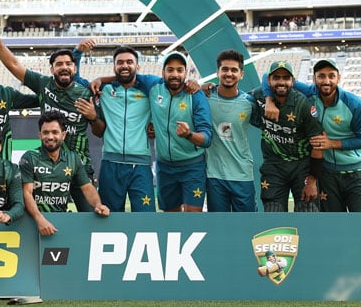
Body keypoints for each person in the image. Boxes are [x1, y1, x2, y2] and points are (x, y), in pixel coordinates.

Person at [0, 11, 103, 212]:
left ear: (75, 68)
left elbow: (100, 131)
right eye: (59, 64)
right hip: (46, 168)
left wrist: (93, 117)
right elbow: (13, 64)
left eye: (68, 64)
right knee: (44, 216)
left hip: (79, 165)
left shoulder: (87, 92)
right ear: (52, 69)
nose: (64, 67)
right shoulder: (43, 84)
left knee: (92, 216)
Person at [263, 58, 361, 212]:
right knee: (331, 225)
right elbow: (265, 76)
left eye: (331, 76)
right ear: (314, 78)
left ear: (338, 78)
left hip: (356, 174)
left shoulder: (354, 104)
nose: (326, 81)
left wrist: (332, 143)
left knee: (360, 223)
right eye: (321, 76)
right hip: (327, 174)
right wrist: (268, 100)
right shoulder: (310, 94)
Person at [79, 45, 156, 212]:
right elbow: (76, 80)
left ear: (138, 66)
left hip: (140, 165)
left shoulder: (149, 91)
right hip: (111, 164)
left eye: (130, 62)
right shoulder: (104, 91)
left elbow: (173, 88)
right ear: (114, 67)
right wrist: (78, 53)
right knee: (109, 217)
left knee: (146, 218)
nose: (125, 65)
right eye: (120, 62)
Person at [134, 52, 213, 212]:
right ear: (163, 72)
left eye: (179, 70)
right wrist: (100, 80)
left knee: (193, 216)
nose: (175, 74)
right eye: (170, 70)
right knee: (170, 218)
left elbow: (207, 138)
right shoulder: (153, 86)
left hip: (192, 167)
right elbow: (126, 76)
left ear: (186, 72)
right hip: (165, 168)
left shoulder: (195, 95)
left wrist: (189, 134)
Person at [250, 60, 324, 212]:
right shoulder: (258, 95)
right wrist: (210, 88)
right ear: (269, 81)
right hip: (274, 165)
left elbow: (318, 145)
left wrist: (311, 181)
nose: (281, 82)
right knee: (273, 211)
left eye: (286, 78)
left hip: (302, 165)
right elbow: (233, 96)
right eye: (276, 78)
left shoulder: (304, 105)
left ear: (293, 81)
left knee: (307, 210)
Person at [20, 111, 109, 236]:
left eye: (55, 132)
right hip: (33, 222)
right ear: (40, 135)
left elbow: (87, 187)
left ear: (63, 135)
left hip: (61, 221)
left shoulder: (73, 158)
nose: (50, 137)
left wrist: (98, 204)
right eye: (45, 132)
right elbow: (26, 193)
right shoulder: (30, 157)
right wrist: (39, 219)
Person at [204, 50, 259, 212]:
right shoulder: (204, 97)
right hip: (215, 176)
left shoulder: (249, 102)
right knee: (219, 226)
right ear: (217, 72)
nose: (229, 73)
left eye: (234, 70)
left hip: (242, 175)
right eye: (225, 69)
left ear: (241, 74)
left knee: (247, 227)